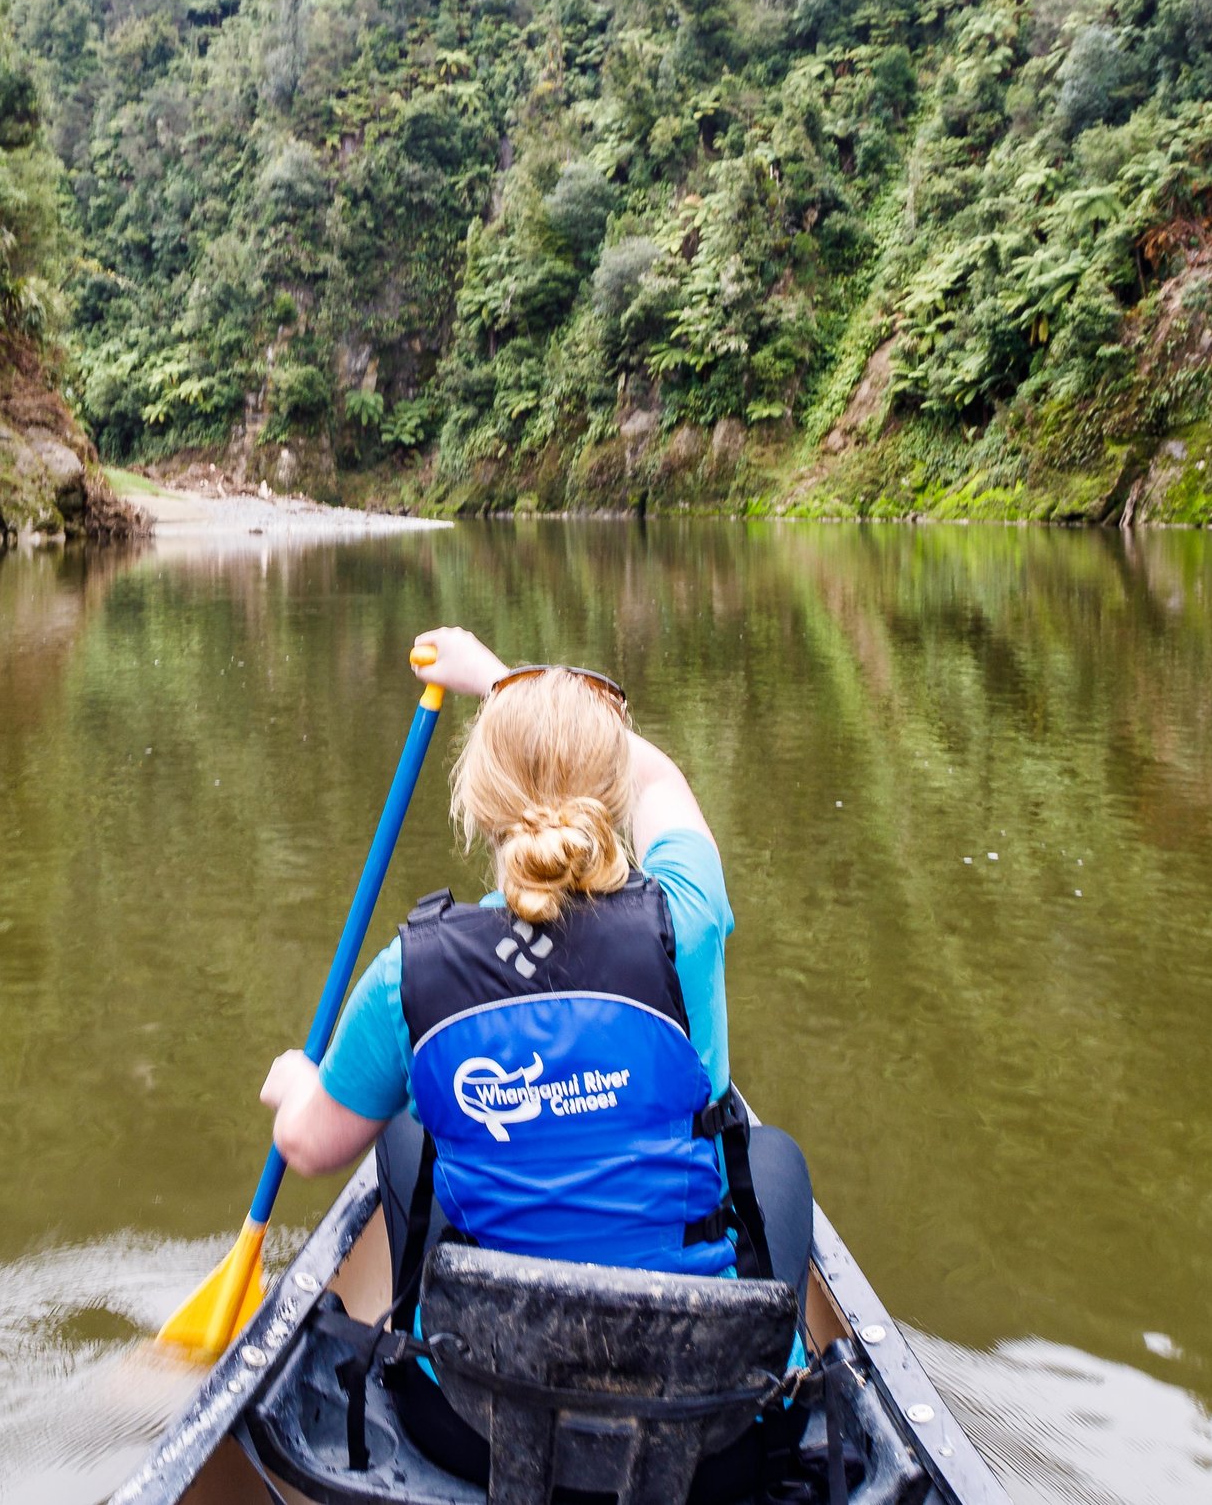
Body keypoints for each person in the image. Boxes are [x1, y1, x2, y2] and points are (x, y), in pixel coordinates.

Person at [259, 627, 813, 1486]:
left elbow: (308, 1147)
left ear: (476, 803)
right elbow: (660, 778)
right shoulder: (686, 920)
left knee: (407, 1136)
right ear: (610, 785)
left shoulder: (411, 971)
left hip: (476, 1425)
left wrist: (297, 1083)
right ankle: (772, 1383)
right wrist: (510, 686)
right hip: (705, 1433)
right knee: (768, 1156)